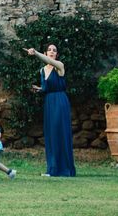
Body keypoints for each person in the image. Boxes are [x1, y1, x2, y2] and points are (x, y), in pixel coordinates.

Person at [26, 45, 76, 177]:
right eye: (49, 50)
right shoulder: (42, 70)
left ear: (57, 54)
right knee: (51, 134)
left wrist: (35, 53)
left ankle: (65, 169)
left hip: (60, 101)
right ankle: (52, 169)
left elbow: (50, 62)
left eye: (54, 50)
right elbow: (46, 87)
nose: (52, 52)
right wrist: (40, 89)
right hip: (49, 102)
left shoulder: (59, 65)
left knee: (61, 133)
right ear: (45, 52)